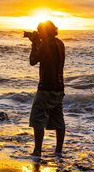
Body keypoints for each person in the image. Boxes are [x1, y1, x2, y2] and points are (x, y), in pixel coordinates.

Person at [28, 20, 66, 157]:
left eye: (40, 31)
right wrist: (39, 43)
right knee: (58, 120)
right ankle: (58, 151)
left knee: (38, 119)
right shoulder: (59, 43)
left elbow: (33, 61)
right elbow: (47, 56)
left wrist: (34, 44)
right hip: (59, 88)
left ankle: (37, 150)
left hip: (45, 88)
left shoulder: (46, 44)